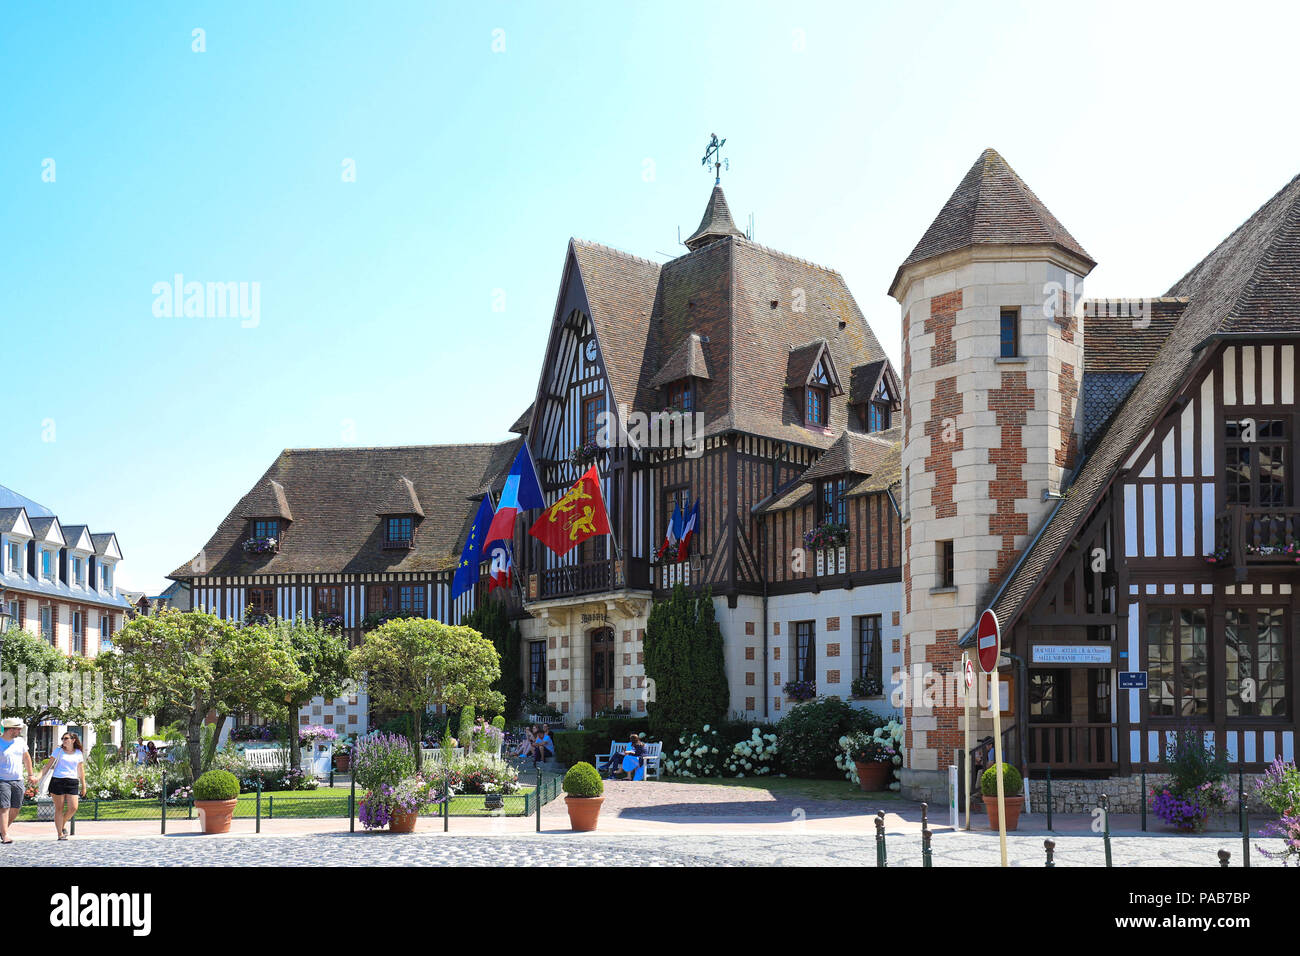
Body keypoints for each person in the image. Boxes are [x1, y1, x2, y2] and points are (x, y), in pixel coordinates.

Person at [39, 732, 86, 841]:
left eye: (66, 738)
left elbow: (81, 770)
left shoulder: (78, 753)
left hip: (72, 781)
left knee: (73, 807)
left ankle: (62, 823)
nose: (63, 740)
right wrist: (39, 776)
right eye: (62, 738)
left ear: (73, 740)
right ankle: (60, 833)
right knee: (59, 808)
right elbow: (48, 766)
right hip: (58, 781)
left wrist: (84, 785)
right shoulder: (58, 751)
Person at [0, 717, 35, 845]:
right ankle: (4, 834)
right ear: (11, 729)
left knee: (16, 808)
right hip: (2, 780)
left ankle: (2, 829)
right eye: (18, 729)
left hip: (18, 780)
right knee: (4, 807)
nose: (19, 731)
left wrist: (30, 774)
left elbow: (26, 758)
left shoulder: (20, 742)